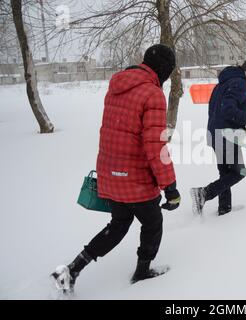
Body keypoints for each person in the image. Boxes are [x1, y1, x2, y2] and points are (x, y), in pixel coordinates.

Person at [52, 44, 181, 293]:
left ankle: (73, 269)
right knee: (153, 222)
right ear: (163, 70)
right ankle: (142, 272)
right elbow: (156, 146)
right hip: (135, 178)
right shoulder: (152, 94)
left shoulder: (117, 87)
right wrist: (171, 187)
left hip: (110, 173)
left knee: (119, 224)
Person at [190, 53, 246, 216]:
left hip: (215, 133)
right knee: (238, 172)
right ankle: (203, 194)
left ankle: (224, 209)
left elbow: (219, 110)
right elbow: (228, 110)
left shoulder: (224, 83)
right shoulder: (239, 84)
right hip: (227, 136)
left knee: (225, 173)